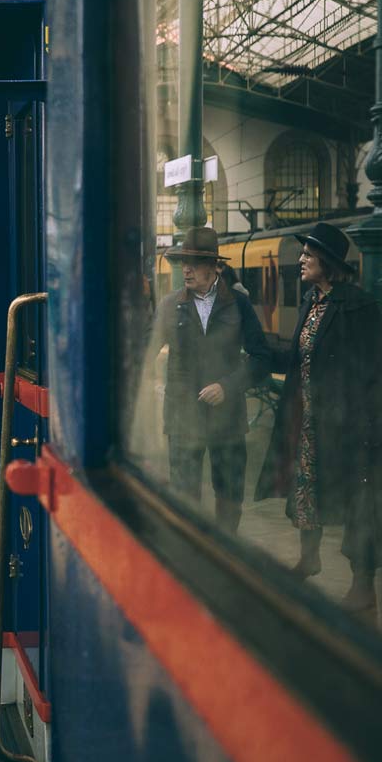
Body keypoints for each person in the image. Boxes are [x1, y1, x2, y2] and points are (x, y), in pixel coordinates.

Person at [256, 222, 382, 611]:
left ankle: (364, 585)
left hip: (349, 423)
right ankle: (309, 558)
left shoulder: (358, 306)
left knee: (362, 501)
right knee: (306, 486)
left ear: (328, 262)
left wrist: (374, 425)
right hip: (309, 418)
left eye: (309, 255)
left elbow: (377, 370)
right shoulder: (312, 302)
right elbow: (298, 359)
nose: (302, 261)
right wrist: (254, 355)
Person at [152, 226, 271, 534]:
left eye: (195, 262)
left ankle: (226, 549)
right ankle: (190, 554)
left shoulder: (239, 305)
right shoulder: (169, 306)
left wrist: (228, 387)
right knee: (184, 495)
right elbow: (144, 351)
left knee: (229, 494)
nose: (186, 270)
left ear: (215, 266)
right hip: (182, 417)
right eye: (183, 262)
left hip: (227, 419)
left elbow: (261, 359)